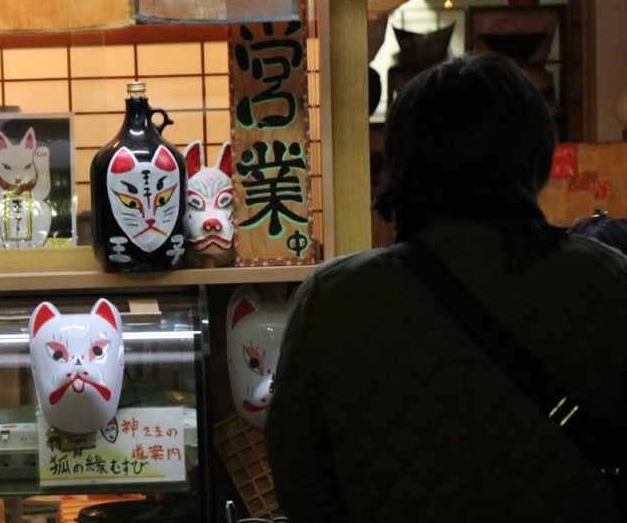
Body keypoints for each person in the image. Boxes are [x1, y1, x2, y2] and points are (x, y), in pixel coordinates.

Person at [265, 54, 627, 523]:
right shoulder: (605, 280)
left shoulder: (335, 298)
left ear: (402, 162)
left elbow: (297, 470)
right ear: (537, 155)